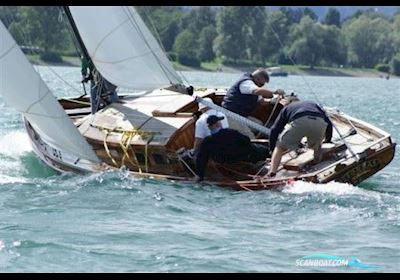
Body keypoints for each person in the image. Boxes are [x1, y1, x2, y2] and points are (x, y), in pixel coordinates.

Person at [266, 100, 333, 177]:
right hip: (319, 121)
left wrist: (271, 149)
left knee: (280, 147)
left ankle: (272, 172)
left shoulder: (286, 108)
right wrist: (328, 139)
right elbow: (329, 123)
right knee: (316, 147)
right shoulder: (313, 104)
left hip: (300, 120)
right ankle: (316, 165)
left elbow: (274, 129)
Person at [193, 115, 269, 182]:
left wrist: (200, 176)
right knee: (264, 149)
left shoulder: (207, 141)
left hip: (225, 163)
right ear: (217, 124)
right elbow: (246, 141)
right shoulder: (231, 133)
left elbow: (201, 159)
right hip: (243, 158)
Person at [222, 68, 284, 138]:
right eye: (261, 84)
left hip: (241, 116)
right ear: (257, 79)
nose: (261, 86)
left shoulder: (254, 87)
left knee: (259, 125)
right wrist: (274, 92)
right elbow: (257, 91)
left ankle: (239, 133)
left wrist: (273, 100)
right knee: (250, 138)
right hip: (231, 115)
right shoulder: (247, 83)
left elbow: (262, 102)